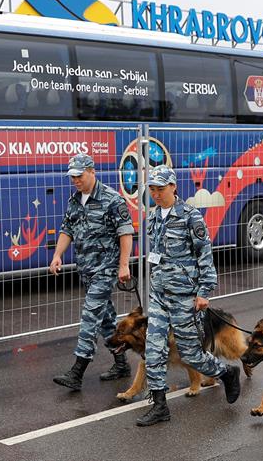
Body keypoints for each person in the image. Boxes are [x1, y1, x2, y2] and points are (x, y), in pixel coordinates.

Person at [136, 165, 240, 427]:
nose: (155, 194)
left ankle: (226, 373)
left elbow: (205, 253)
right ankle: (160, 406)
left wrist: (204, 291)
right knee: (153, 350)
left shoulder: (191, 217)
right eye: (152, 189)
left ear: (173, 187)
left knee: (191, 354)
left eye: (160, 189)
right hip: (159, 296)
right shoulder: (153, 217)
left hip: (185, 296)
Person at [50, 153, 135, 390]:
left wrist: (123, 265)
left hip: (105, 269)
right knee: (106, 319)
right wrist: (57, 255)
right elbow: (67, 229)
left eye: (79, 175)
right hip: (86, 269)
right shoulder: (75, 200)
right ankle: (121, 364)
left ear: (92, 172)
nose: (76, 180)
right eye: (72, 177)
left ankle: (77, 372)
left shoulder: (112, 199)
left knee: (90, 316)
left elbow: (125, 233)